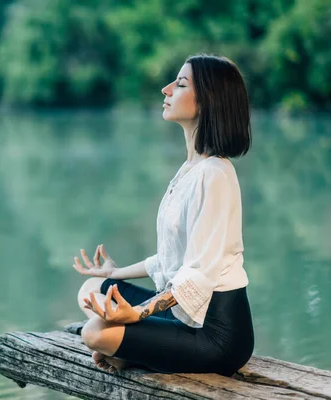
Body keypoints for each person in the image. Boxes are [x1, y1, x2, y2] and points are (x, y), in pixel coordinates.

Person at [72, 54, 254, 377]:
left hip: (215, 332)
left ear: (207, 102)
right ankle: (135, 352)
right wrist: (115, 274)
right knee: (91, 290)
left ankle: (132, 353)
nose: (166, 89)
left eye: (180, 84)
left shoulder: (215, 175)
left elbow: (197, 275)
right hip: (179, 312)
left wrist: (137, 314)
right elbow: (170, 259)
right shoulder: (190, 169)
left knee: (94, 332)